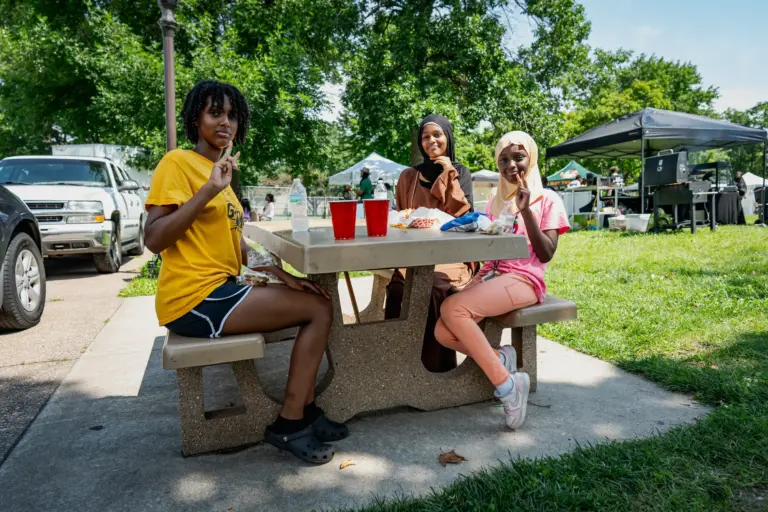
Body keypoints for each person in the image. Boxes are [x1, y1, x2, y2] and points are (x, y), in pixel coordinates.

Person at [144, 80, 345, 464]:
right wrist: (207, 191)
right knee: (317, 311)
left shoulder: (222, 173)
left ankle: (304, 409)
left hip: (222, 288)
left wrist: (283, 275)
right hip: (193, 298)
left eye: (233, 116)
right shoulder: (178, 163)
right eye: (215, 113)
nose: (226, 123)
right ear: (195, 118)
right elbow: (153, 239)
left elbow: (238, 249)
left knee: (317, 299)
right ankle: (289, 423)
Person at [435, 131, 570, 430]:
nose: (512, 165)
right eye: (504, 160)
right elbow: (491, 256)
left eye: (518, 157)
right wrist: (472, 283)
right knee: (442, 332)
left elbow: (546, 254)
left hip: (525, 279)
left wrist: (526, 211)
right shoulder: (494, 203)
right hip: (495, 277)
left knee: (454, 310)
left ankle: (509, 388)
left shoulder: (547, 199)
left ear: (531, 158)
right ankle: (501, 359)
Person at [385, 114, 475, 372]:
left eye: (437, 134)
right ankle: (397, 363)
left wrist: (447, 173)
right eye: (426, 137)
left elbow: (463, 216)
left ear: (448, 137)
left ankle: (436, 369)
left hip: (454, 254)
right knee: (399, 288)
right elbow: (402, 216)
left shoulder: (460, 173)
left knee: (434, 285)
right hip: (414, 253)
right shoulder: (408, 177)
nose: (431, 141)